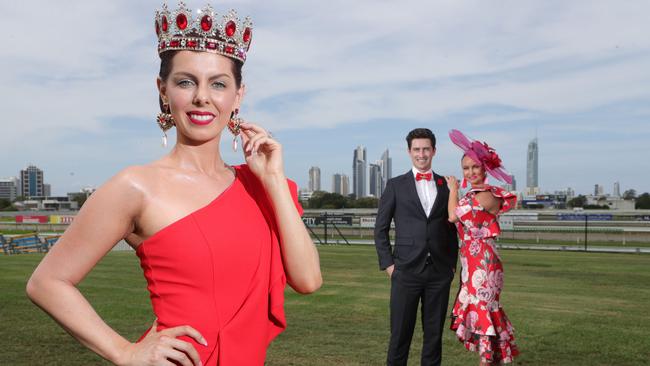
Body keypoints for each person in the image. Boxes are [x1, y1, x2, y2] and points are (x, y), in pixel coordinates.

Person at [26, 3, 322, 365]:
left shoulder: (261, 186)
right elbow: (47, 282)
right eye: (185, 81)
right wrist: (124, 351)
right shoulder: (135, 186)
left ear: (238, 96)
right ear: (163, 90)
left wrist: (273, 180)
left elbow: (308, 280)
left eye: (218, 83)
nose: (202, 97)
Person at [374, 128, 459, 366]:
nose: (421, 154)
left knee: (434, 337)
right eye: (416, 149)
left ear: (434, 151)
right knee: (400, 336)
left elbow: (452, 228)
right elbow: (380, 229)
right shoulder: (395, 185)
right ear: (409, 152)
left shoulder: (446, 185)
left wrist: (451, 266)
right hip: (405, 271)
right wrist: (389, 265)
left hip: (439, 273)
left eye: (426, 149)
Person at [445, 129, 519, 365]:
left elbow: (452, 217)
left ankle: (486, 361)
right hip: (473, 260)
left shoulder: (482, 195)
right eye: (466, 168)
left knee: (484, 311)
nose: (470, 172)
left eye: (475, 167)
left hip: (483, 263)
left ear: (485, 169)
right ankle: (491, 359)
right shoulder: (475, 195)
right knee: (482, 310)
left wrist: (453, 190)